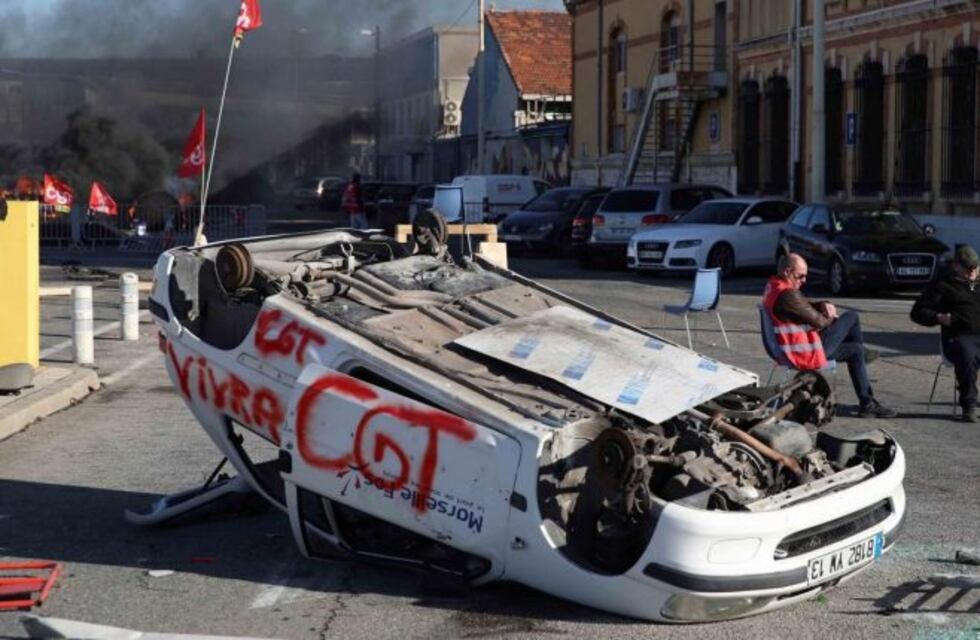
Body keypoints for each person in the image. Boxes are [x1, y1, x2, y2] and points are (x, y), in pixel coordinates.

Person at [763, 253, 897, 418]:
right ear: (787, 272)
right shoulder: (788, 295)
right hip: (804, 354)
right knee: (852, 321)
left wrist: (822, 304)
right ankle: (867, 403)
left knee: (856, 347)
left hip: (786, 349)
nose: (804, 280)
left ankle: (863, 363)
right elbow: (820, 322)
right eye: (800, 276)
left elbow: (803, 305)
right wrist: (831, 315)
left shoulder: (775, 286)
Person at [910, 244, 980, 422]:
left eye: (976, 268)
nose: (972, 272)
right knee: (967, 354)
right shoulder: (943, 286)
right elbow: (918, 313)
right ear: (956, 266)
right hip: (959, 337)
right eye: (968, 268)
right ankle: (969, 404)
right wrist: (939, 317)